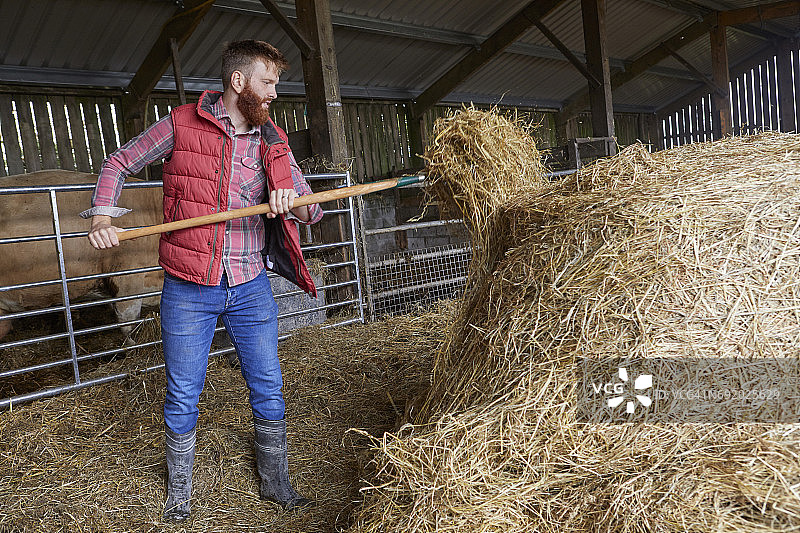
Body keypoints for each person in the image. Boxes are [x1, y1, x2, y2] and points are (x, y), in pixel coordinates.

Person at [82, 40, 323, 521]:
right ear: (239, 82)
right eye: (268, 82)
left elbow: (312, 210)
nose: (274, 92)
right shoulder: (181, 124)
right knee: (182, 389)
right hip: (189, 287)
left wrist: (287, 198)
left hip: (251, 284)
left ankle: (277, 485)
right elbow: (118, 162)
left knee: (268, 384)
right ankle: (180, 493)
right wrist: (102, 216)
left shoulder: (273, 140)